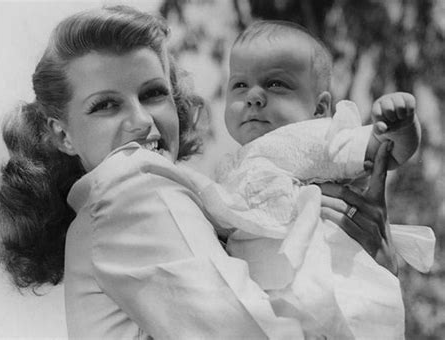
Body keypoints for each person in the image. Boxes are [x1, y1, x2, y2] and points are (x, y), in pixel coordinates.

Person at [0, 7, 407, 339]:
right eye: (105, 105)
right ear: (62, 134)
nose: (141, 121)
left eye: (154, 94)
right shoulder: (133, 187)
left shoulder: (130, 207)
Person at [175, 20, 435, 339]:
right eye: (240, 85)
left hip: (327, 285)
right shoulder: (230, 168)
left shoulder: (308, 138)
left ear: (320, 108)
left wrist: (401, 125)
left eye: (275, 84)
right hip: (270, 301)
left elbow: (386, 152)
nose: (254, 96)